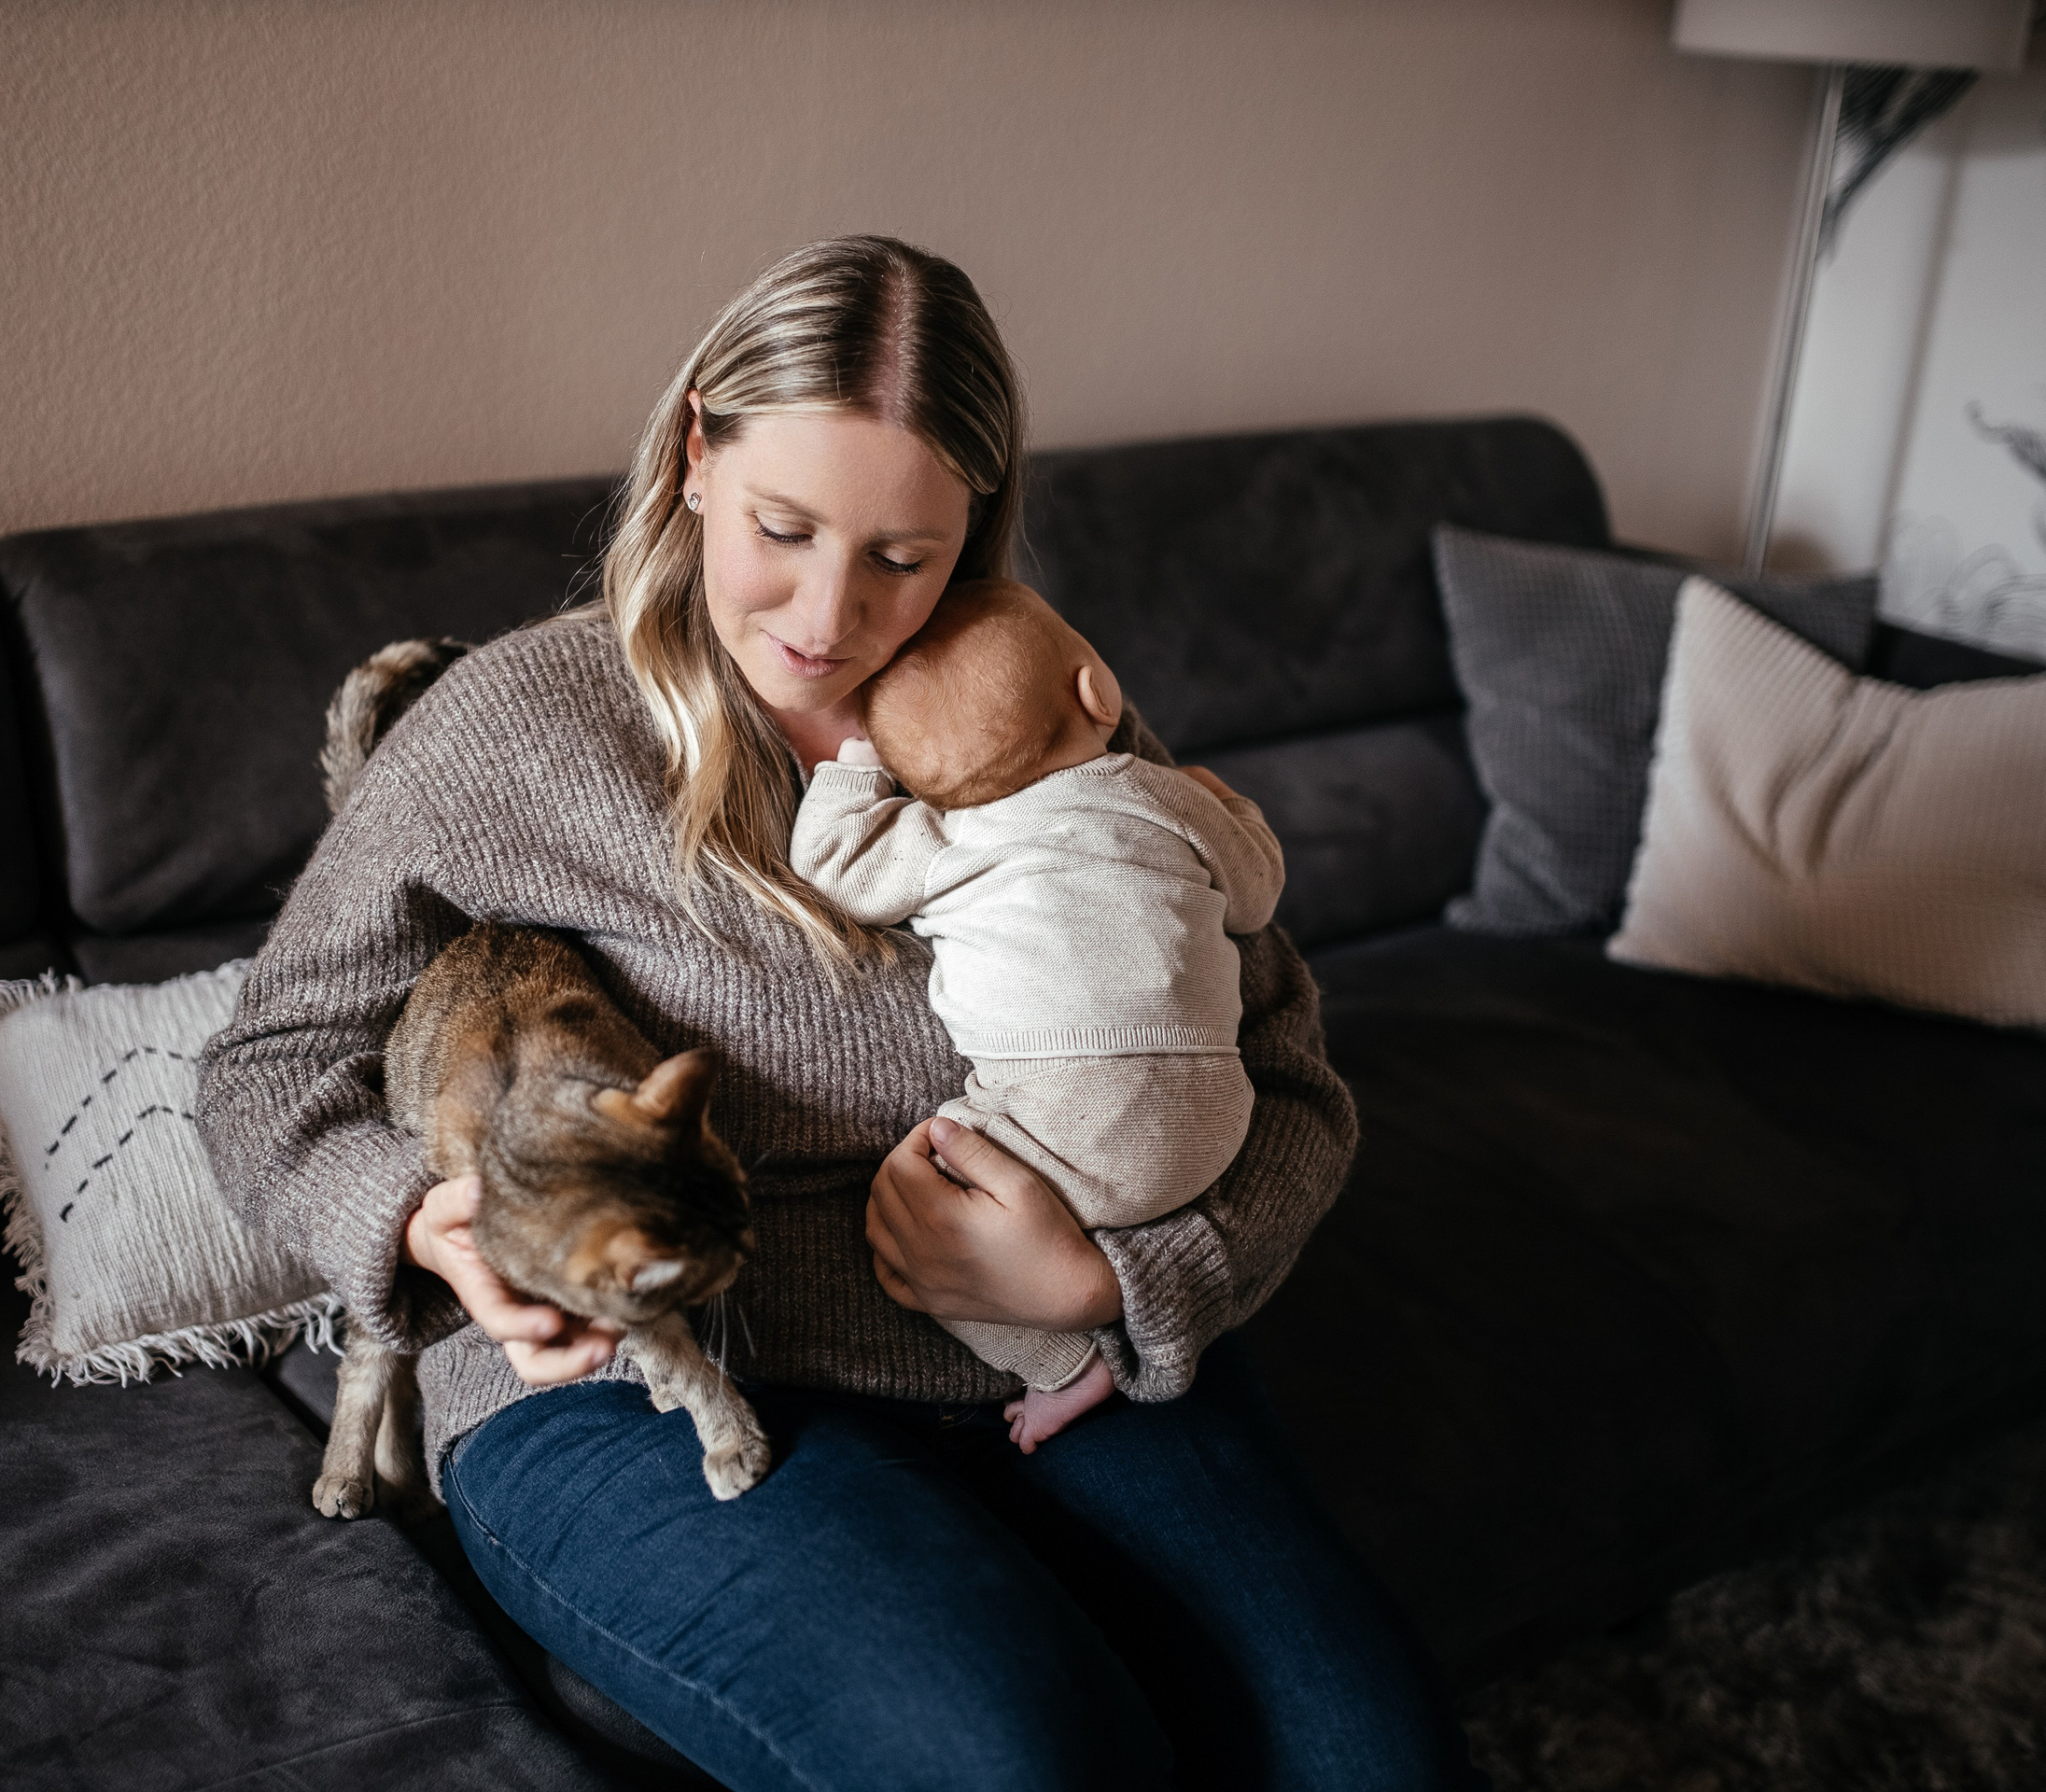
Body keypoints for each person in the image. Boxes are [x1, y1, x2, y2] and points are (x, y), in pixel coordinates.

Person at [200, 234, 1484, 1791]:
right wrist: (423, 1220)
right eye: (783, 529)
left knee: (1373, 1759)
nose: (824, 618)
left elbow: (1291, 1078)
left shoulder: (1041, 701)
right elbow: (269, 1063)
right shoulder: (517, 727)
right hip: (654, 1386)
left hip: (1047, 1348)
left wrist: (1121, 1276)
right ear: (694, 457)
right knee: (1019, 1762)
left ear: (975, 536)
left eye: (901, 558)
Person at [789, 579, 1286, 1451]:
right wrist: (1228, 808)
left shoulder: (951, 840)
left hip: (1061, 1130)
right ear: (1097, 692)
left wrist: (855, 768)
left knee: (922, 1214)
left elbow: (833, 869)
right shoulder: (1164, 796)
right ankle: (1118, 1307)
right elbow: (1255, 897)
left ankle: (1060, 1366)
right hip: (1219, 1121)